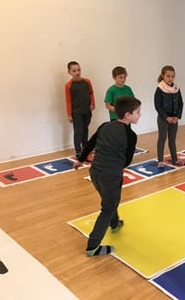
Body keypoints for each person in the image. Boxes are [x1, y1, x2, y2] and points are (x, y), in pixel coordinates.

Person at [73, 96, 141, 256]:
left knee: (110, 199)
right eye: (138, 112)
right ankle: (93, 247)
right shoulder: (131, 136)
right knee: (108, 207)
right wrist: (116, 167)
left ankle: (115, 223)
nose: (140, 115)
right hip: (111, 175)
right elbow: (127, 161)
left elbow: (90, 143)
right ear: (127, 115)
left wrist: (80, 160)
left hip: (95, 172)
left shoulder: (105, 126)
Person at [154, 65, 184, 169]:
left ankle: (175, 159)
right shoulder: (160, 88)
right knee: (162, 139)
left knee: (172, 139)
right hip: (164, 119)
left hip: (174, 118)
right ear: (163, 76)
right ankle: (160, 161)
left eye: (172, 76)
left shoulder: (176, 88)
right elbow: (157, 105)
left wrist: (177, 117)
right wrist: (166, 117)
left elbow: (180, 103)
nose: (170, 78)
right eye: (168, 76)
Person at [65, 61, 95, 157]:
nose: (77, 72)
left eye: (78, 70)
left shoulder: (87, 81)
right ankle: (78, 151)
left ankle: (85, 147)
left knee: (85, 129)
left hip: (87, 110)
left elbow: (91, 93)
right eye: (74, 71)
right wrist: (69, 114)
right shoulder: (68, 85)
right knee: (78, 131)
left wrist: (92, 104)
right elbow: (68, 101)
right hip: (76, 112)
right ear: (69, 72)